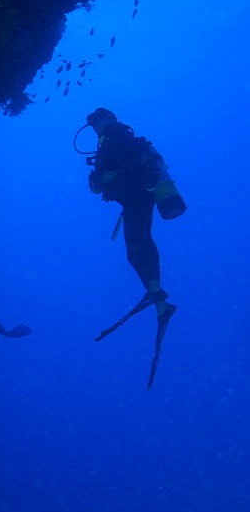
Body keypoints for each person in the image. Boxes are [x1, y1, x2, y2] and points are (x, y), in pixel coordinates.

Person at [84, 107, 186, 387]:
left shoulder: (116, 138)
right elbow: (101, 180)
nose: (93, 125)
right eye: (91, 122)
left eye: (97, 119)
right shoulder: (113, 141)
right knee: (138, 245)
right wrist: (102, 179)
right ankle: (158, 299)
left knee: (137, 246)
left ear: (109, 118)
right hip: (136, 198)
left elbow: (108, 176)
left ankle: (158, 297)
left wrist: (104, 179)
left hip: (137, 196)